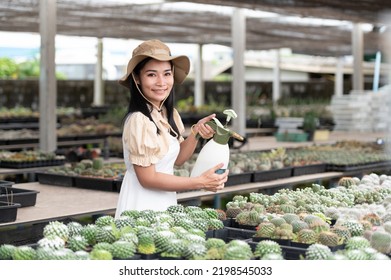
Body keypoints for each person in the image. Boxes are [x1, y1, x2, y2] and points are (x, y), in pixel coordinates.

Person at [114, 39, 229, 218]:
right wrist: (199, 182)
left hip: (164, 201)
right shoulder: (139, 119)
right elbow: (148, 179)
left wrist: (196, 133)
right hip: (142, 205)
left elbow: (178, 160)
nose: (161, 82)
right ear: (137, 78)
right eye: (152, 74)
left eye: (167, 74)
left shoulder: (168, 113)